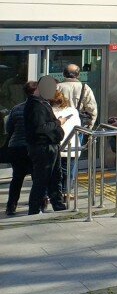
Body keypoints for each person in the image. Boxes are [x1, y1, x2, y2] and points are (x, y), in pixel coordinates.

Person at [24, 76, 68, 214]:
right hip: (43, 146)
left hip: (50, 145)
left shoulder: (42, 102)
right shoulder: (35, 105)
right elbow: (40, 128)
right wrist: (58, 123)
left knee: (55, 177)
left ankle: (58, 205)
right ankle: (34, 209)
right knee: (42, 179)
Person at [3, 83, 34, 216]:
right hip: (33, 147)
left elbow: (9, 128)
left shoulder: (16, 108)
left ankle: (11, 205)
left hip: (15, 146)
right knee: (37, 177)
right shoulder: (41, 108)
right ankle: (37, 203)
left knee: (17, 178)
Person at [51, 87, 81, 203]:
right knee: (68, 171)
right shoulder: (73, 110)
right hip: (71, 145)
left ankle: (54, 193)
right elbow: (77, 126)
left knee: (55, 171)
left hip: (56, 145)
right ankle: (67, 192)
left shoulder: (48, 110)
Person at [58, 64, 98, 130]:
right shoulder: (85, 88)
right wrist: (90, 126)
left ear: (64, 74)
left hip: (60, 124)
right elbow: (92, 109)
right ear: (78, 75)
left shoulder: (57, 87)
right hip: (78, 126)